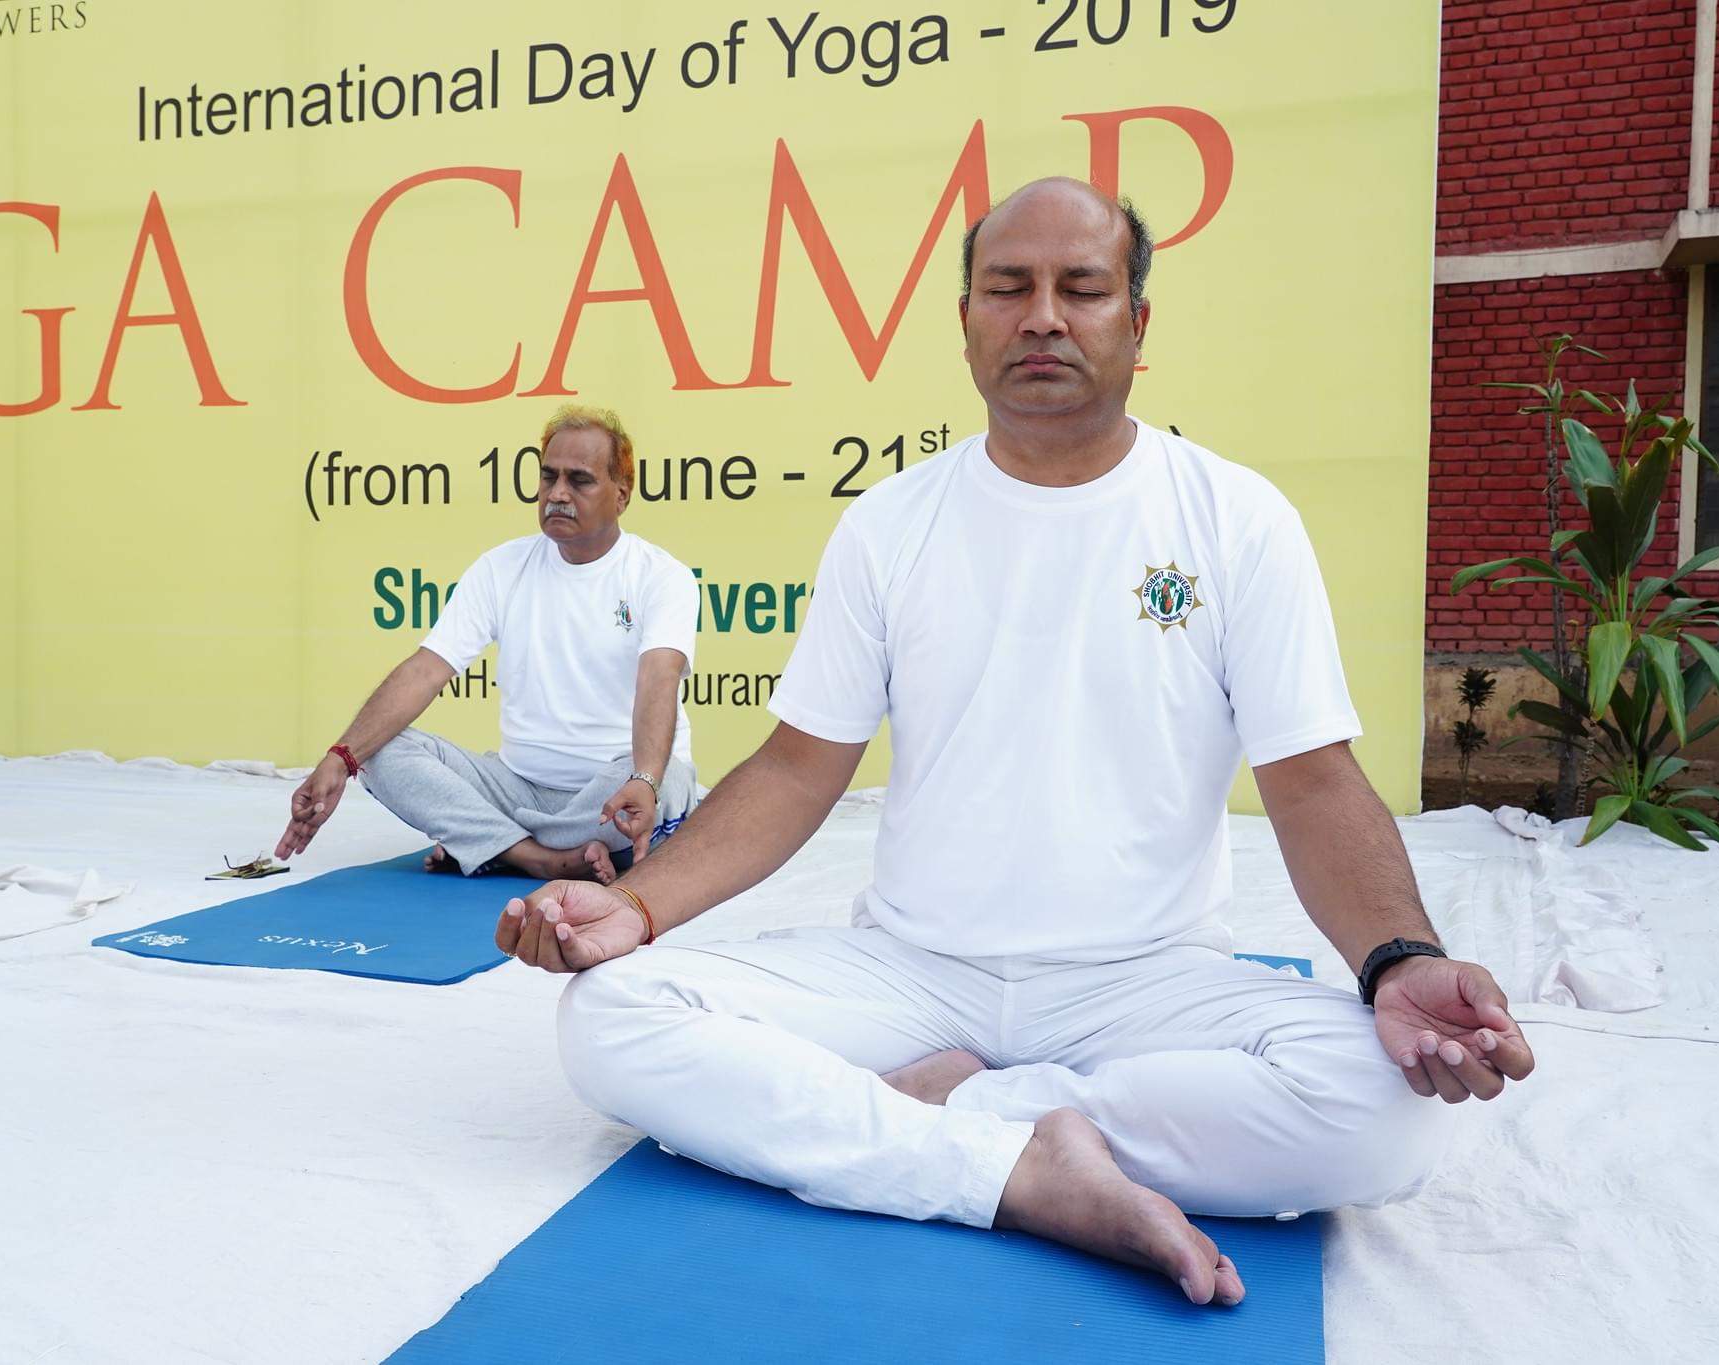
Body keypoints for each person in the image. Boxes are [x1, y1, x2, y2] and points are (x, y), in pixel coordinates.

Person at [495, 180, 1536, 1307]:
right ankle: (1026, 1169)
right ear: (966, 322)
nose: (1042, 316)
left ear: (1135, 327)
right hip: (909, 969)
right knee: (609, 1016)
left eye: (1080, 288)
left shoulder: (1232, 519)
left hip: (1143, 980)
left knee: (1383, 1113)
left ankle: (961, 1113)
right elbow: (799, 768)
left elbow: (1311, 779)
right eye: (1008, 288)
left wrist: (1399, 960)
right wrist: (638, 908)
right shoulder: (890, 523)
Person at [276, 405, 697, 883]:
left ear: (621, 494)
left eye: (579, 481)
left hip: (616, 786)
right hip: (517, 787)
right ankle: (545, 858)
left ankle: (496, 843)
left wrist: (643, 780)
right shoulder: (501, 567)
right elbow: (425, 670)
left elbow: (657, 680)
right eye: (548, 477)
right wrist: (340, 758)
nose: (557, 494)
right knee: (376, 750)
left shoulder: (663, 576)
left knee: (670, 782)